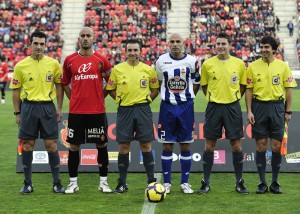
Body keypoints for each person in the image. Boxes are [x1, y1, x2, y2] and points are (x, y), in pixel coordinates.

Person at [9, 31, 64, 194]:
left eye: (42, 44)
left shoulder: (54, 64)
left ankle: (57, 183)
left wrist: (59, 108)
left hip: (48, 107)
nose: (39, 47)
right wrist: (17, 113)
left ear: (45, 45)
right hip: (28, 108)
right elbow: (16, 91)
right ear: (30, 45)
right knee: (27, 145)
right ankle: (27, 183)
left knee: (51, 145)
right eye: (36, 43)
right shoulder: (21, 65)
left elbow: (59, 86)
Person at [61, 27, 113, 194]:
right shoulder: (69, 60)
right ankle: (73, 183)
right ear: (79, 38)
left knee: (101, 145)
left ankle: (103, 182)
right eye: (82, 35)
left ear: (93, 38)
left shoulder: (101, 60)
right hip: (76, 112)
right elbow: (64, 82)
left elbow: (111, 82)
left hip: (97, 111)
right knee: (74, 146)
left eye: (88, 36)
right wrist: (73, 98)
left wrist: (100, 96)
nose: (85, 38)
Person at [106, 39, 159, 193]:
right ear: (126, 52)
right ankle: (122, 182)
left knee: (146, 145)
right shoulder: (118, 69)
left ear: (140, 51)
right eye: (130, 50)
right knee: (123, 146)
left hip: (143, 110)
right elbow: (110, 88)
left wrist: (148, 99)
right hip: (125, 110)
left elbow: (155, 88)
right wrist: (120, 100)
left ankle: (151, 181)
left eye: (135, 50)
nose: (133, 53)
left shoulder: (148, 70)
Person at [245, 36, 297, 194]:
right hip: (259, 106)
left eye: (266, 47)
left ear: (274, 49)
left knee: (275, 146)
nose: (263, 50)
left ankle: (275, 182)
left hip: (277, 107)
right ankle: (262, 182)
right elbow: (249, 90)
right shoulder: (252, 67)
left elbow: (288, 91)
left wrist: (288, 111)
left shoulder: (283, 67)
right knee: (260, 145)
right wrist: (249, 110)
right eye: (261, 47)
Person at [198, 32, 249, 194]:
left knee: (236, 145)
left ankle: (239, 182)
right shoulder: (207, 64)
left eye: (223, 44)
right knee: (209, 145)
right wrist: (215, 98)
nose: (220, 46)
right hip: (214, 107)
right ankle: (205, 182)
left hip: (232, 108)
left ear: (229, 45)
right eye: (218, 44)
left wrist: (232, 98)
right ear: (215, 46)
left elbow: (242, 87)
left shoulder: (239, 64)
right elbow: (204, 86)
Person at [155, 33, 200, 194]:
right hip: (167, 108)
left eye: (178, 41)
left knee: (185, 144)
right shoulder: (161, 61)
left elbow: (196, 83)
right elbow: (160, 81)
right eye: (172, 41)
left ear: (183, 44)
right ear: (168, 44)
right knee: (167, 146)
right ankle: (167, 183)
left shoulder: (192, 61)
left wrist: (186, 98)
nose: (175, 44)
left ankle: (184, 183)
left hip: (186, 108)